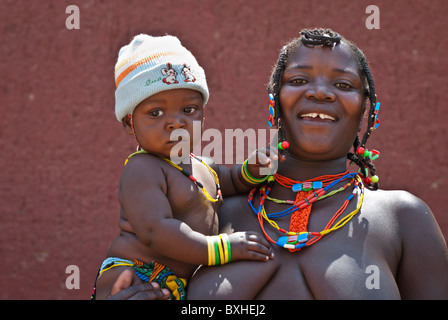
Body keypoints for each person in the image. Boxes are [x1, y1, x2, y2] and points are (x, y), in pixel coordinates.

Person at [109, 28, 448, 300]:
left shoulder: (403, 219)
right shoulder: (210, 211)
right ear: (274, 101)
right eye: (299, 80)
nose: (320, 92)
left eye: (343, 85)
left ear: (367, 110)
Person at [92, 34, 275, 300]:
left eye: (189, 110)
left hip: (176, 284)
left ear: (203, 114)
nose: (176, 123)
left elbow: (233, 181)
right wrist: (221, 249)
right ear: (129, 123)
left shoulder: (204, 166)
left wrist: (254, 170)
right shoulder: (143, 168)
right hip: (136, 274)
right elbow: (156, 230)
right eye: (156, 113)